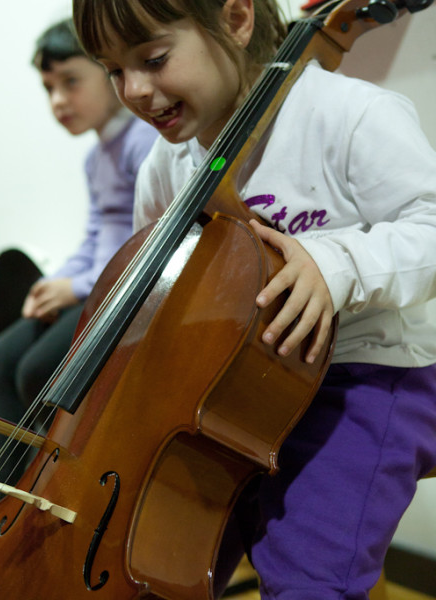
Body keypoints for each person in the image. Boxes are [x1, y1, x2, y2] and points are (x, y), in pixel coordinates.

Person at [72, 1, 436, 598]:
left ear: (237, 19)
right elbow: (152, 307)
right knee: (150, 561)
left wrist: (336, 262)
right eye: (113, 70)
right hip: (226, 397)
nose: (133, 90)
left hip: (365, 375)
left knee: (307, 580)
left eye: (153, 59)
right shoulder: (165, 170)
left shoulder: (350, 115)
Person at [0, 18, 157, 486]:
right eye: (48, 89)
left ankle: (65, 489)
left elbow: (143, 240)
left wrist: (75, 287)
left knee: (37, 371)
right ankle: (4, 494)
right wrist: (53, 282)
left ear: (107, 70)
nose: (58, 101)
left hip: (122, 290)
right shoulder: (94, 158)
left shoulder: (144, 142)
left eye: (71, 82)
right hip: (92, 285)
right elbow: (95, 235)